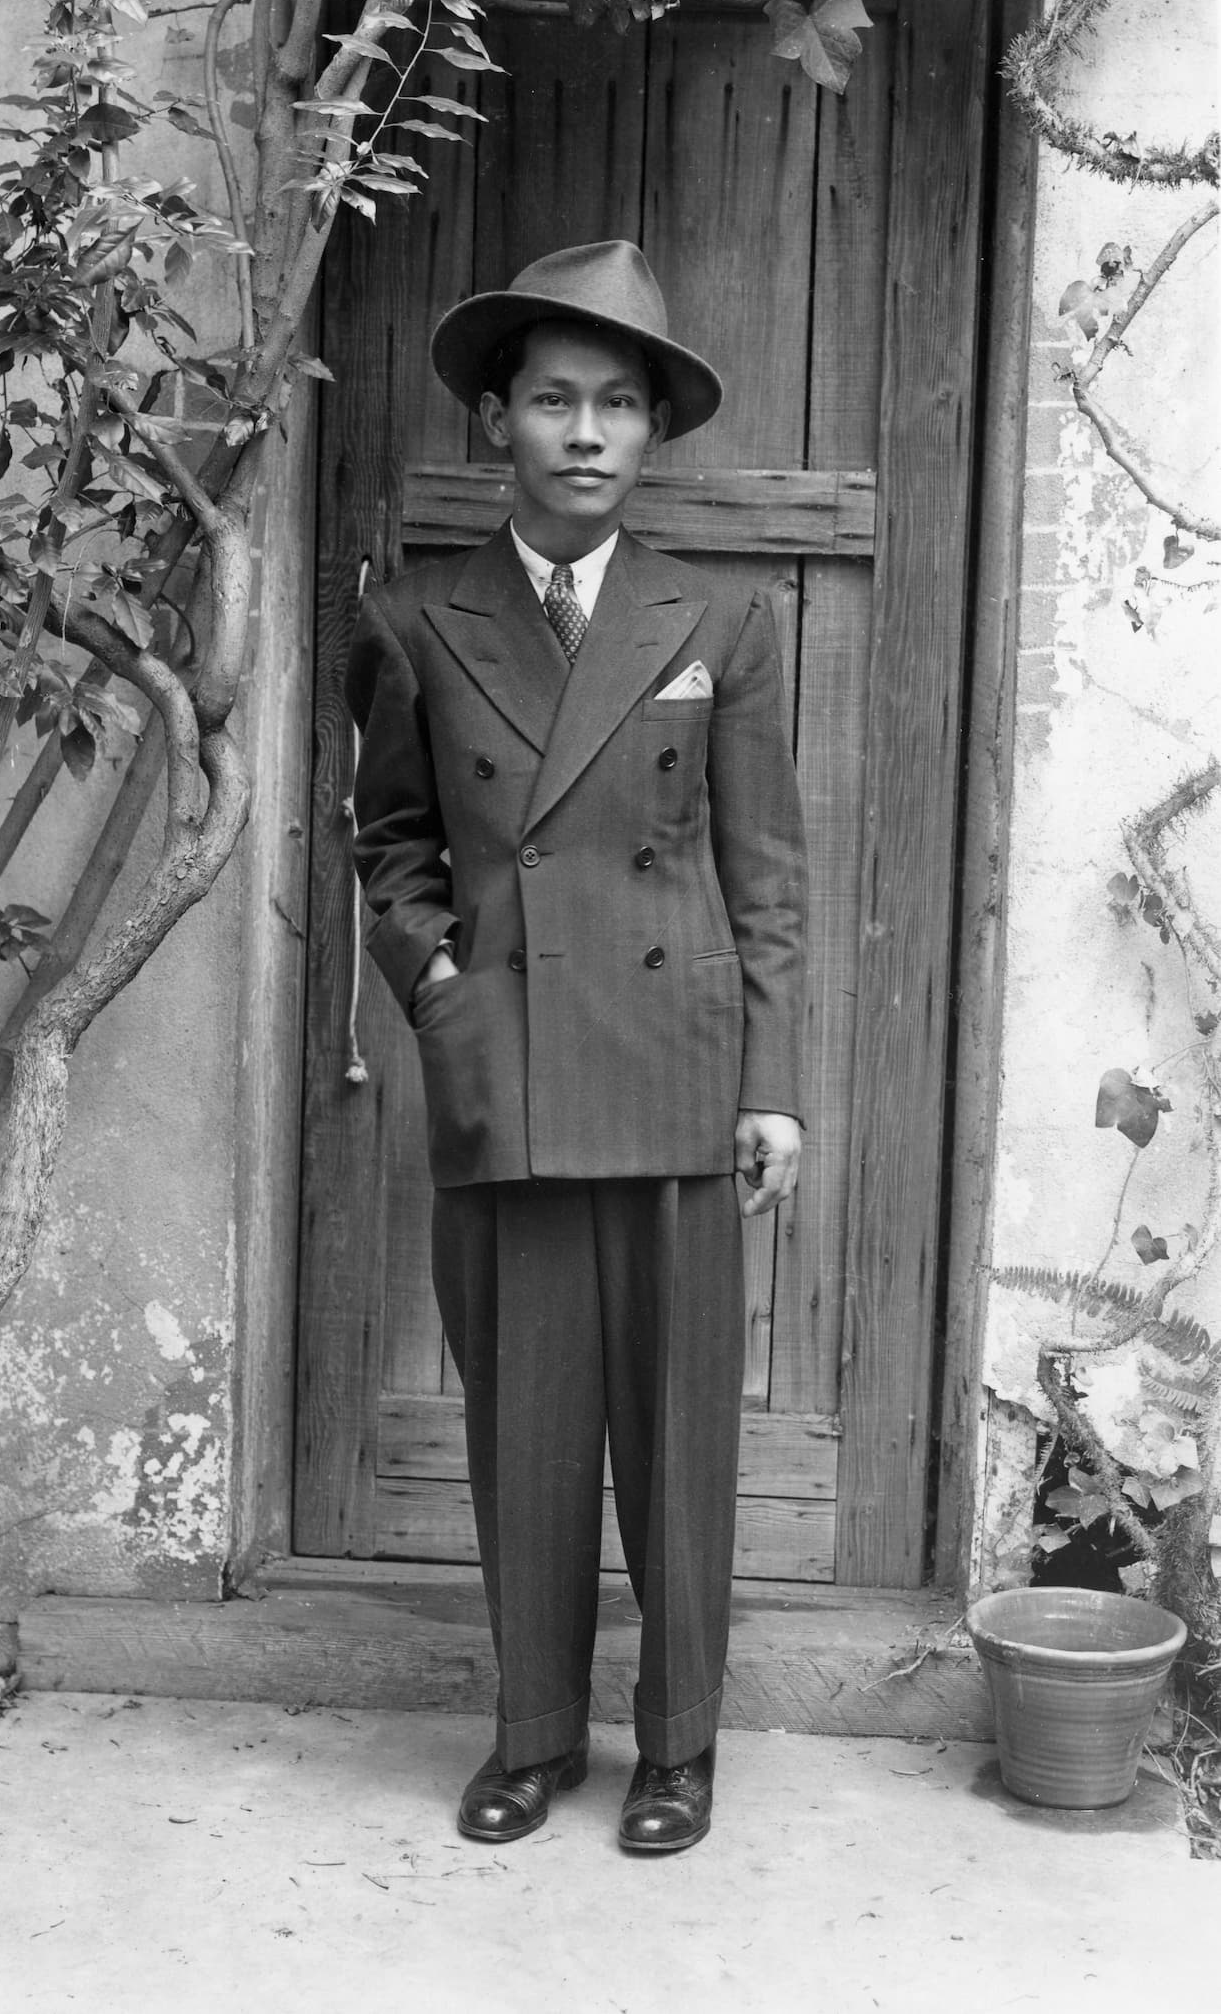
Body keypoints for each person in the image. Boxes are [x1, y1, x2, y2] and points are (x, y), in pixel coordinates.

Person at [345, 240, 807, 1853]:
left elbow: (766, 870)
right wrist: (443, 985)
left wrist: (772, 1086)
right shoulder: (415, 617)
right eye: (555, 399)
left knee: (678, 1443)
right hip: (515, 1072)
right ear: (498, 419)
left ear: (653, 428)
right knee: (526, 1431)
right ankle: (533, 1733)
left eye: (619, 402)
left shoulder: (724, 617)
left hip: (678, 1072)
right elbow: (388, 845)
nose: (589, 431)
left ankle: (678, 1745)